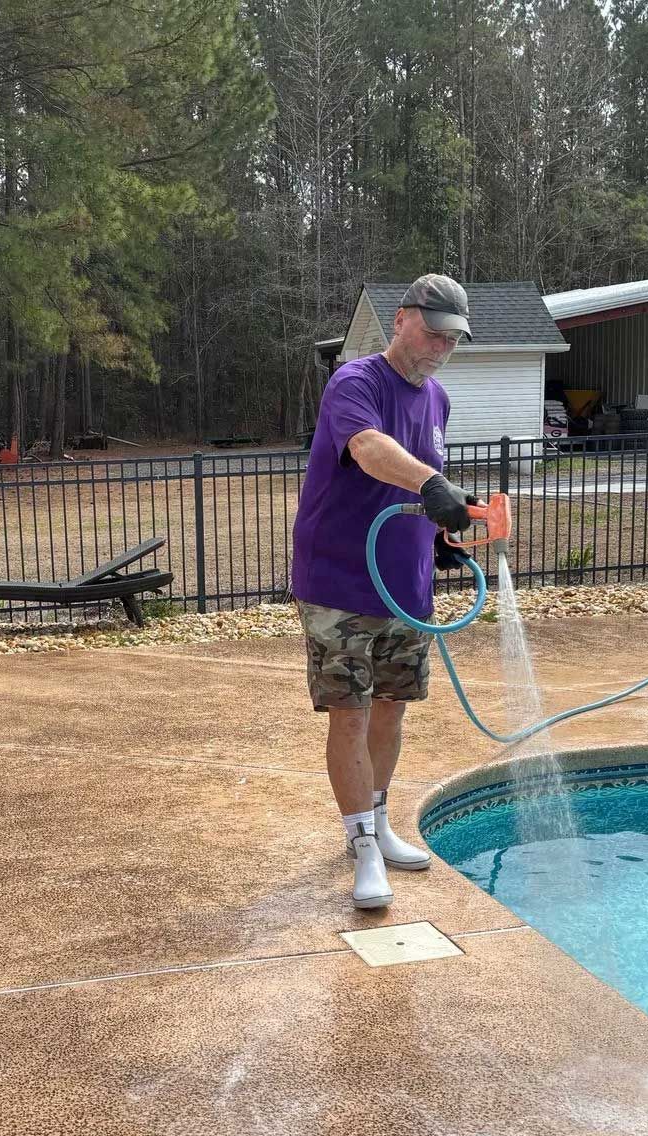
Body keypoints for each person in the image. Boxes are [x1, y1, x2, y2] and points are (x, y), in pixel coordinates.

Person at [290, 274, 479, 909]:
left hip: (406, 584)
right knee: (351, 710)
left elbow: (421, 486)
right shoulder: (357, 382)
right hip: (341, 581)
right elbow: (370, 451)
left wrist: (444, 529)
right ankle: (361, 847)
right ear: (401, 320)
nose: (440, 349)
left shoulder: (439, 401)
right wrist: (432, 484)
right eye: (433, 334)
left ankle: (379, 820)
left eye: (452, 341)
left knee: (392, 707)